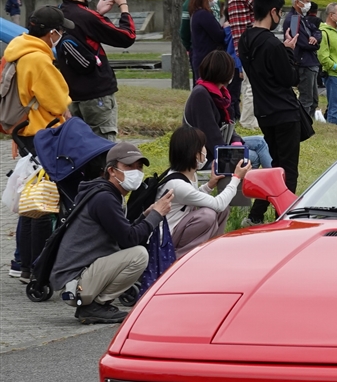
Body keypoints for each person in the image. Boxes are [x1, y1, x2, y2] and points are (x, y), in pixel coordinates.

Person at [50, 143, 174, 324]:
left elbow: (124, 235)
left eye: (139, 167)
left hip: (80, 278)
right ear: (112, 171)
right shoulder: (104, 198)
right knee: (138, 255)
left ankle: (94, 306)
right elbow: (129, 240)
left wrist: (145, 216)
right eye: (129, 166)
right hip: (75, 285)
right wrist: (156, 215)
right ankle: (94, 306)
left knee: (136, 253)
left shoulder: (109, 194)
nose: (136, 172)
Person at [5, 6, 73, 284]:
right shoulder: (39, 59)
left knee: (31, 201)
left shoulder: (18, 50)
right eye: (61, 30)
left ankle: (22, 264)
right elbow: (59, 103)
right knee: (42, 205)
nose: (61, 35)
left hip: (25, 134)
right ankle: (35, 268)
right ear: (51, 33)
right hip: (44, 136)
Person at [237, 0, 303, 225]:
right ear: (273, 12)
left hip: (264, 111)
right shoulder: (272, 44)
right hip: (284, 112)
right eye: (280, 12)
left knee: (274, 165)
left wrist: (283, 51)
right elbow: (290, 78)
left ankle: (256, 215)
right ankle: (283, 218)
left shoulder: (245, 40)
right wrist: (290, 53)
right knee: (288, 169)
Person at [56, 0, 137, 140]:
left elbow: (80, 30)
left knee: (78, 146)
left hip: (70, 95)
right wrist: (123, 6)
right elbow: (127, 37)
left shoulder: (57, 13)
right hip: (96, 93)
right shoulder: (88, 17)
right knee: (102, 146)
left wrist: (98, 12)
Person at [158, 126, 250, 256]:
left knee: (222, 209)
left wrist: (210, 185)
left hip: (180, 226)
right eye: (203, 147)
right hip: (168, 237)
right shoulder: (177, 184)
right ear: (195, 153)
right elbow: (217, 204)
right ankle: (182, 257)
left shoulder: (188, 173)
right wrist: (236, 178)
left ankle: (213, 248)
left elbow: (192, 197)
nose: (205, 150)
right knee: (207, 215)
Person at [184, 50, 244, 164]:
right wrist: (231, 154)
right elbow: (211, 135)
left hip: (221, 145)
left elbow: (228, 125)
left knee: (260, 142)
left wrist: (236, 141)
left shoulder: (220, 93)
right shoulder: (201, 95)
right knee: (252, 155)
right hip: (206, 156)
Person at [283, 0, 322, 124]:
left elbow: (317, 31)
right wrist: (315, 44)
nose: (308, 3)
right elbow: (301, 42)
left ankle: (309, 123)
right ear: (297, 3)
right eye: (306, 1)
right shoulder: (293, 20)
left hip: (311, 62)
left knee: (314, 99)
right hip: (303, 63)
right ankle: (303, 123)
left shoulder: (303, 18)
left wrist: (315, 38)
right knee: (307, 98)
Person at [227, 0, 257, 128]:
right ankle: (248, 121)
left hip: (240, 44)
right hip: (251, 43)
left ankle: (247, 119)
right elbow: (262, 7)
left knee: (247, 84)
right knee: (253, 85)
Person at [179, 0, 222, 78]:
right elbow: (184, 30)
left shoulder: (215, 2)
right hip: (200, 49)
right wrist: (189, 47)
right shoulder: (191, 4)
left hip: (214, 49)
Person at [188, 0, 225, 79]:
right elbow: (218, 35)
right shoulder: (203, 14)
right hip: (207, 60)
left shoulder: (196, 13)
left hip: (201, 58)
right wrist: (226, 28)